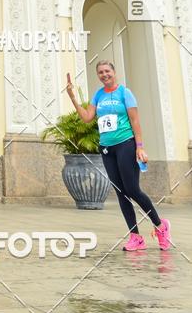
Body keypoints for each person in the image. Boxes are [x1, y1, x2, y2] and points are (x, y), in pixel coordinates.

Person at [65, 61, 172, 251]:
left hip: (126, 144)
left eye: (107, 71)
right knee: (121, 193)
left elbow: (135, 120)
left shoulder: (125, 93)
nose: (104, 74)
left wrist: (139, 147)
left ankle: (160, 226)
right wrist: (72, 97)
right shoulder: (98, 95)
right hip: (107, 148)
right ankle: (136, 237)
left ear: (114, 72)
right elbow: (87, 118)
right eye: (100, 72)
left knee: (132, 190)